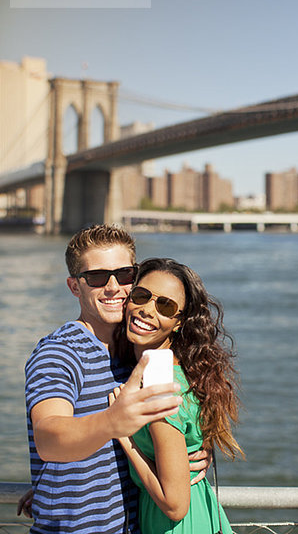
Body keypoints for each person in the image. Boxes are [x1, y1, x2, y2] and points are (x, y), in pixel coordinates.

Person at [22, 224, 210, 533]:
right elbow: (48, 438)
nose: (113, 287)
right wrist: (113, 421)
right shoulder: (59, 352)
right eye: (96, 277)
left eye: (123, 275)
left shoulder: (133, 354)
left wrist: (194, 451)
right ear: (74, 287)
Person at [111, 257, 244, 534]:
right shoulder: (175, 367)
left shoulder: (158, 383)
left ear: (179, 322)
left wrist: (123, 437)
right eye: (141, 296)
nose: (147, 310)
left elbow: (175, 505)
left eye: (165, 306)